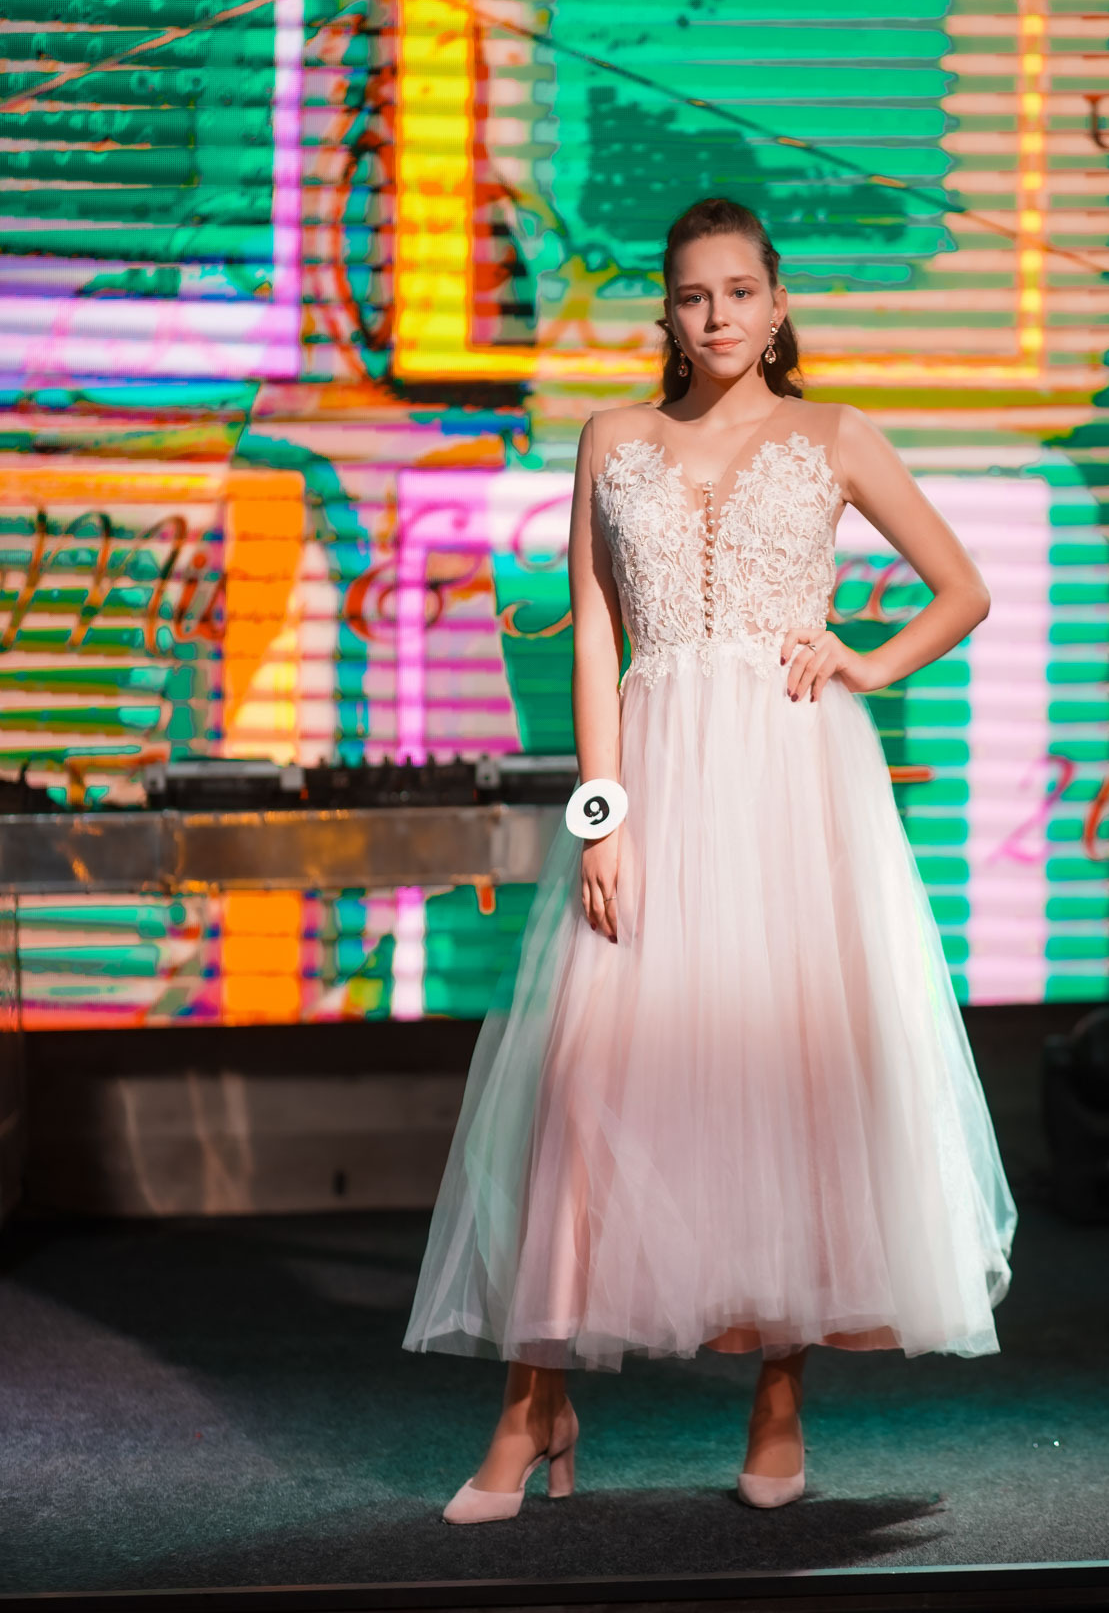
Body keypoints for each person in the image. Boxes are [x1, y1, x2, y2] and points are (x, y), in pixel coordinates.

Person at [403, 196, 1018, 1522]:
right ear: (669, 314)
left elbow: (963, 590)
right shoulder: (612, 439)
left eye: (741, 291)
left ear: (778, 304)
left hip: (796, 792)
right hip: (657, 787)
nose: (718, 314)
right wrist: (603, 817)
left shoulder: (835, 435)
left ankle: (778, 1402)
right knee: (582, 1085)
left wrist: (868, 661)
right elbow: (594, 637)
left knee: (787, 1089)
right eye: (694, 295)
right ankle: (530, 1411)